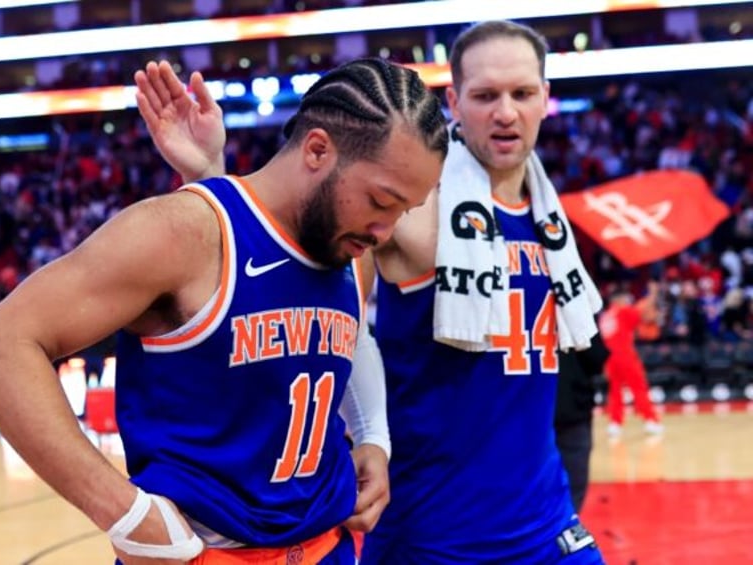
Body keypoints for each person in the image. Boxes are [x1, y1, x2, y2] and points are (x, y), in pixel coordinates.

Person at [141, 20, 606, 564]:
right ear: (454, 100)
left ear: (546, 99)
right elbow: (302, 295)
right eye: (485, 96)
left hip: (547, 522)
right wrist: (211, 175)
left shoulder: (550, 216)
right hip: (432, 531)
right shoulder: (407, 208)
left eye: (522, 93)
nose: (505, 112)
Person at [0, 57, 449, 565]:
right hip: (202, 553)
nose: (386, 231)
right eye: (380, 200)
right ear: (318, 149)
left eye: (403, 211)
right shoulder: (180, 232)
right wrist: (126, 515)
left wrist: (374, 437)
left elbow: (350, 338)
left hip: (329, 546)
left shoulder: (351, 247)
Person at [599, 283, 663, 437]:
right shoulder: (623, 311)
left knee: (614, 391)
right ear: (619, 300)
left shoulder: (606, 316)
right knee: (639, 387)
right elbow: (643, 312)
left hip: (609, 359)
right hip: (625, 356)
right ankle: (650, 421)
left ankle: (615, 424)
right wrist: (653, 294)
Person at [554, 333, 609, 512]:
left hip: (530, 410)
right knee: (574, 479)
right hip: (573, 407)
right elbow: (597, 357)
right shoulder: (576, 305)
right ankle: (568, 528)